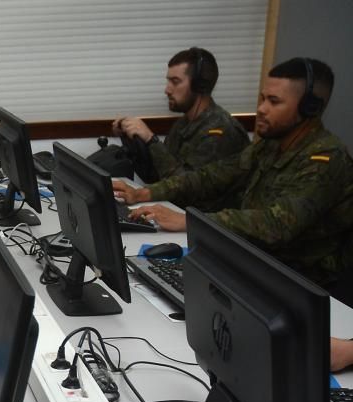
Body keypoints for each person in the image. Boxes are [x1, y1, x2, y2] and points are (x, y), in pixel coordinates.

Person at [114, 58, 353, 291]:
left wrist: (192, 221)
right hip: (254, 263)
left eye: (274, 101)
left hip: (301, 284)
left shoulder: (327, 158)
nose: (261, 109)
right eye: (262, 98)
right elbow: (213, 176)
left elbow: (278, 225)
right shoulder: (271, 145)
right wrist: (145, 192)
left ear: (308, 108)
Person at [113, 47, 249, 191]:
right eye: (168, 81)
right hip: (177, 208)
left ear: (198, 85)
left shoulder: (220, 131)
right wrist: (131, 140)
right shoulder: (183, 124)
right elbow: (158, 177)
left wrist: (151, 139)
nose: (167, 90)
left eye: (175, 81)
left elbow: (186, 188)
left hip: (204, 212)